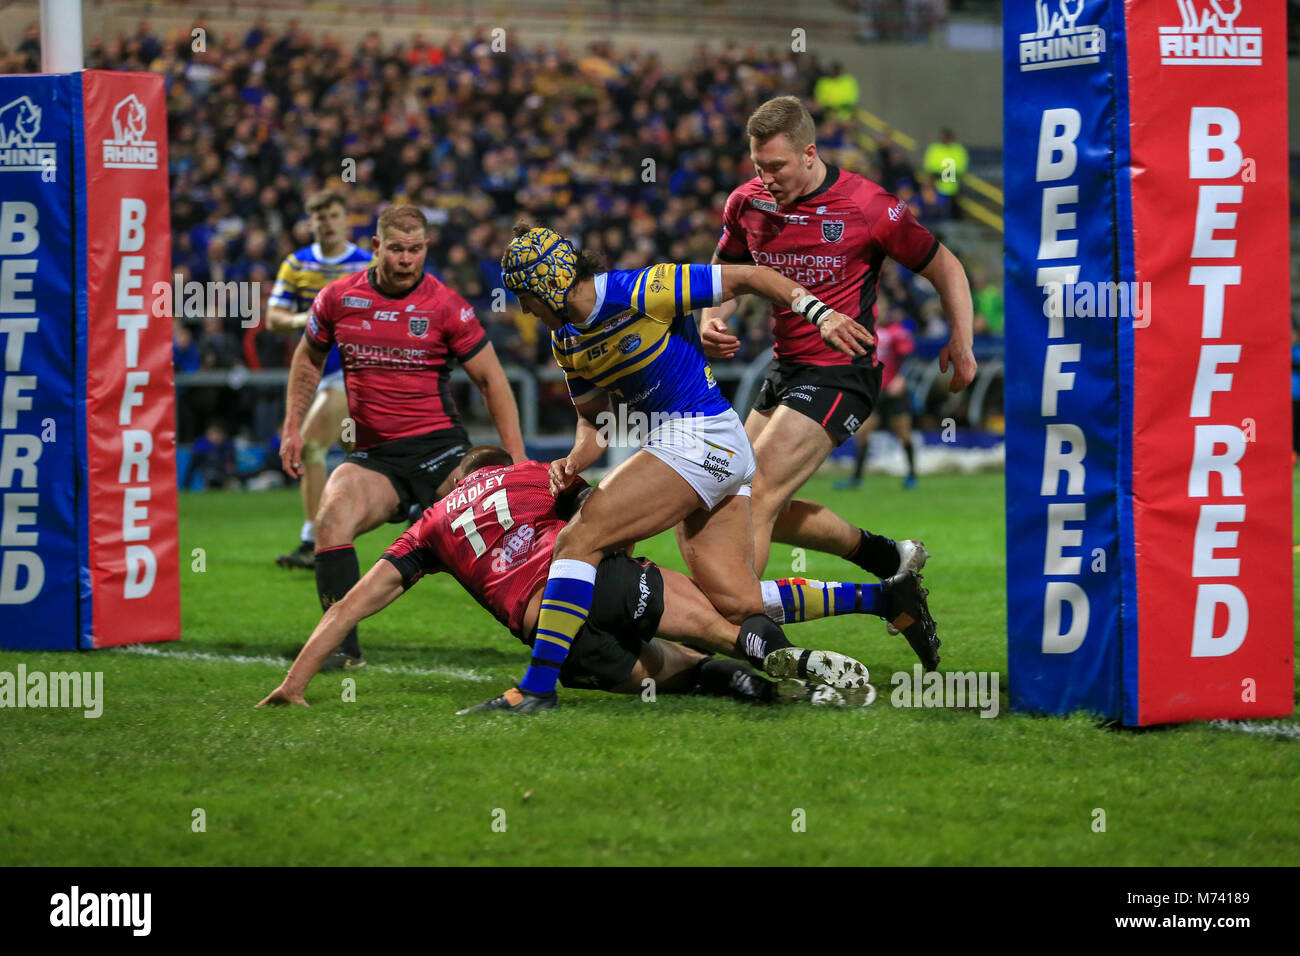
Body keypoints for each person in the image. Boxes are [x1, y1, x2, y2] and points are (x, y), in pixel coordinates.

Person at [480, 223, 936, 713]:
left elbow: (749, 276)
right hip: (707, 447)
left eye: (525, 295)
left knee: (579, 539)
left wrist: (818, 313)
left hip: (698, 436)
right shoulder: (566, 341)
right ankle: (888, 599)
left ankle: (537, 688)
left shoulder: (639, 289)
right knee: (736, 603)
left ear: (549, 282)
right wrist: (574, 459)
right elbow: (596, 421)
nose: (524, 308)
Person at [258, 446, 938, 711]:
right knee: (727, 612)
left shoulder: (428, 528)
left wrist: (295, 680)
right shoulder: (534, 474)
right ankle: (790, 647)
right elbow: (607, 518)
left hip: (554, 636)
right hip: (596, 582)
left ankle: (757, 688)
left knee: (672, 674)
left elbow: (352, 603)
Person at [699, 96, 976, 670]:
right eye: (757, 166)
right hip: (784, 369)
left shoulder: (868, 205)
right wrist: (710, 317)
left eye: (775, 166)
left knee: (757, 495)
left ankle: (742, 632)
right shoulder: (747, 204)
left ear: (809, 153)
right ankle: (885, 561)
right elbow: (723, 274)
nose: (764, 178)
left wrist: (962, 340)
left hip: (842, 371)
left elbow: (944, 264)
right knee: (728, 493)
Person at [279, 204, 525, 670]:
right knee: (331, 520)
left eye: (415, 250)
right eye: (396, 249)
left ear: (426, 248)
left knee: (499, 530)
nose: (406, 259)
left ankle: (552, 632)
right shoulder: (337, 298)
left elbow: (492, 380)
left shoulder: (447, 305)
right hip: (375, 459)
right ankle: (341, 653)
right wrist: (292, 427)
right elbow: (308, 359)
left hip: (442, 452)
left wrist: (516, 459)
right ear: (376, 247)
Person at [266, 189, 373, 570]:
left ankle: (316, 540)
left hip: (352, 373)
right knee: (353, 453)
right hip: (314, 373)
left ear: (345, 220)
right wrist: (308, 321)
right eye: (320, 217)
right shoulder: (296, 264)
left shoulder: (366, 264)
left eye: (333, 216)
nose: (326, 223)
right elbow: (274, 317)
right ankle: (332, 537)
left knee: (311, 445)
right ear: (310, 223)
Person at [835, 300, 918, 490]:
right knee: (863, 433)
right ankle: (856, 478)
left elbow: (910, 358)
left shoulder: (896, 332)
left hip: (893, 391)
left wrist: (902, 378)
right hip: (873, 392)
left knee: (904, 434)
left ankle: (912, 475)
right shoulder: (863, 332)